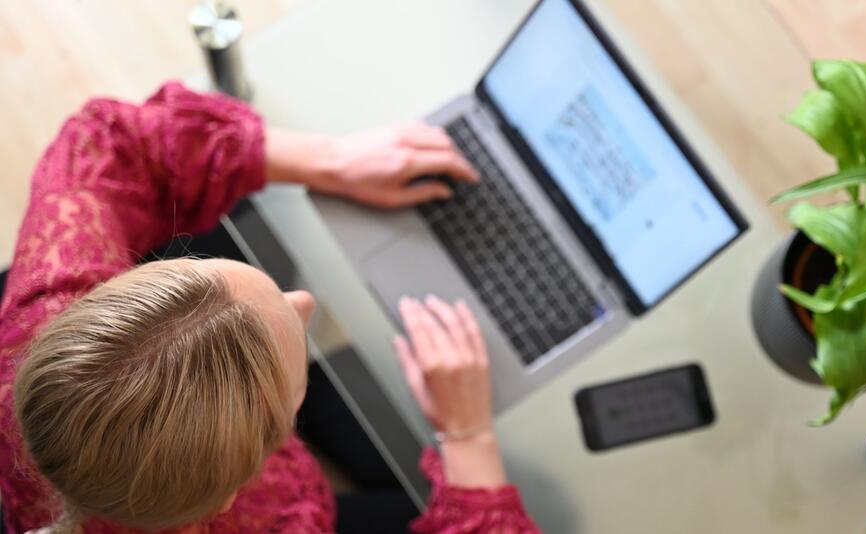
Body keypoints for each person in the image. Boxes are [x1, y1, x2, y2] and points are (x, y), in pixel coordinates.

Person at [0, 82, 540, 533]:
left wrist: (332, 160)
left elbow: (104, 142)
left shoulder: (42, 316)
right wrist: (469, 435)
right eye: (286, 390)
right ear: (228, 498)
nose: (302, 301)